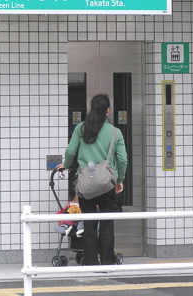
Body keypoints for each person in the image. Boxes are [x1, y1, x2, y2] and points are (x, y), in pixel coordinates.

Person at [56, 93, 127, 266]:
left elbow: (71, 151)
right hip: (106, 184)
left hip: (85, 184)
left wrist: (66, 164)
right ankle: (107, 262)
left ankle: (90, 262)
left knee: (89, 224)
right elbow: (122, 159)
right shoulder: (115, 132)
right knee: (106, 224)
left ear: (91, 108)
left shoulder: (81, 129)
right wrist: (119, 180)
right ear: (108, 110)